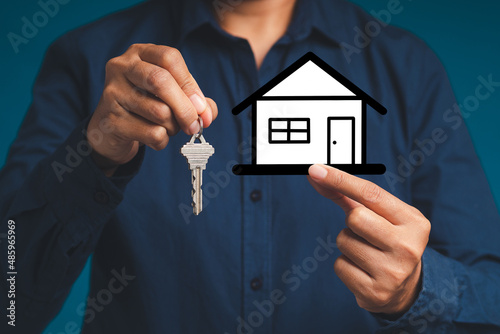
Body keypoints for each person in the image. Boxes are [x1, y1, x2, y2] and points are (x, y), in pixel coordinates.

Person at [1, 0, 499, 333]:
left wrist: (416, 289)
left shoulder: (407, 69)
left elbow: (491, 296)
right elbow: (11, 300)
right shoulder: (90, 61)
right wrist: (95, 155)